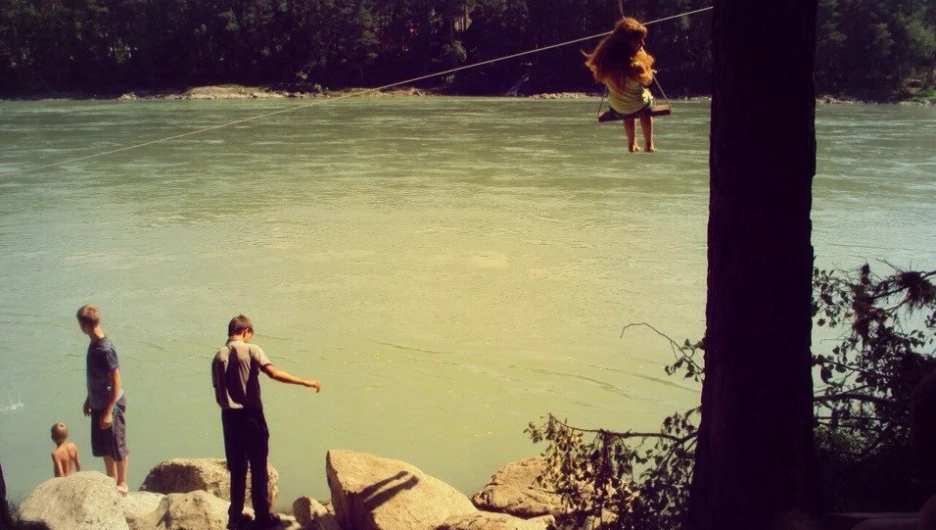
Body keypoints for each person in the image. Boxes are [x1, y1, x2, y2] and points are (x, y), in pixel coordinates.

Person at [212, 315, 321, 530]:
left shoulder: (218, 356)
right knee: (259, 467)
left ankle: (235, 517)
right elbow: (273, 373)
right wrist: (305, 382)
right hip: (252, 417)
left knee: (237, 468)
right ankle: (262, 517)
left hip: (229, 419)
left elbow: (218, 392)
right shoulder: (253, 350)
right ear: (245, 332)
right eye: (250, 335)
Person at [76, 304, 130, 494]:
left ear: (84, 325)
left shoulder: (104, 348)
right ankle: (111, 479)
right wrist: (89, 398)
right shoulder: (94, 342)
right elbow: (96, 376)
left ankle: (122, 483)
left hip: (111, 404)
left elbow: (116, 381)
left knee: (117, 445)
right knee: (104, 447)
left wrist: (108, 411)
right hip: (98, 401)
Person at [585, 17, 658, 153]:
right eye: (639, 41)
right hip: (639, 106)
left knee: (627, 114)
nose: (642, 43)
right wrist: (647, 68)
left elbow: (601, 79)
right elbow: (648, 82)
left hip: (618, 109)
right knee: (646, 108)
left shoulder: (606, 64)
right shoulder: (635, 66)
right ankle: (648, 143)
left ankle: (631, 143)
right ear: (627, 44)